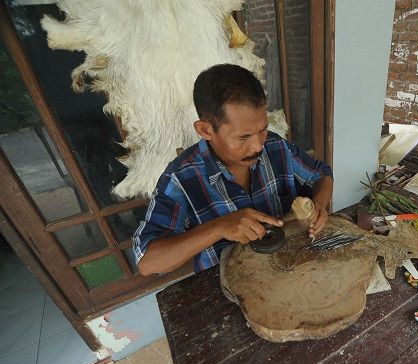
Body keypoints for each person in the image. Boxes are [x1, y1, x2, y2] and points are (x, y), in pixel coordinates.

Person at [134, 64, 333, 275]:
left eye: (263, 129)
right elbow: (147, 262)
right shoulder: (181, 178)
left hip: (292, 267)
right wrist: (218, 227)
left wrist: (319, 204)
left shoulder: (276, 147)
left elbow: (321, 174)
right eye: (243, 137)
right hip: (231, 285)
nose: (258, 145)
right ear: (206, 130)